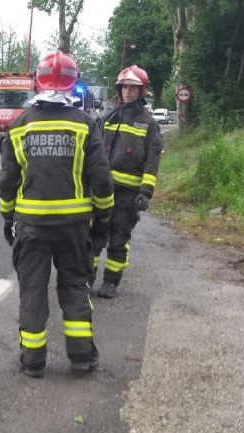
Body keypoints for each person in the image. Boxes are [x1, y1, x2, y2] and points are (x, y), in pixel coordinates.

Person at [0, 50, 114, 378]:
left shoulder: (19, 126)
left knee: (32, 290)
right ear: (72, 83)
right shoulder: (85, 125)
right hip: (75, 227)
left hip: (31, 225)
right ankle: (81, 358)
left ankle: (33, 361)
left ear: (38, 81)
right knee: (76, 286)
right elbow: (102, 180)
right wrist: (103, 218)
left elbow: (7, 181)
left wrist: (8, 218)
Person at [89, 65, 163, 299]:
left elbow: (152, 161)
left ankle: (111, 281)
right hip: (102, 190)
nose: (128, 92)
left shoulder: (148, 124)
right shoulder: (108, 118)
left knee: (119, 237)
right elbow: (93, 150)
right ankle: (86, 278)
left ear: (141, 91)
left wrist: (146, 192)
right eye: (124, 88)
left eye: (133, 88)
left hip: (129, 193)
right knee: (93, 235)